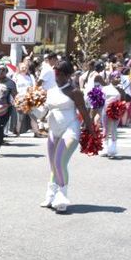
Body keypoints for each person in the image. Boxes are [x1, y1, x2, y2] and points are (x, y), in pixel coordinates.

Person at [40, 60, 94, 213]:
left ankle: (62, 197)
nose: (56, 76)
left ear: (67, 75)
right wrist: (31, 109)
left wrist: (92, 131)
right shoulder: (50, 89)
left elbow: (83, 112)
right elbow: (45, 110)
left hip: (70, 129)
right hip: (53, 130)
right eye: (55, 72)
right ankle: (50, 195)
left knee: (59, 162)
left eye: (59, 73)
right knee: (53, 165)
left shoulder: (74, 91)